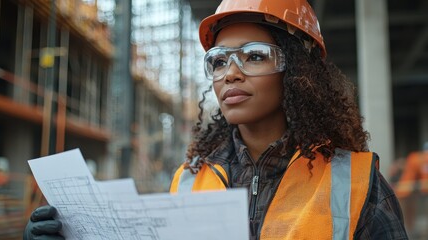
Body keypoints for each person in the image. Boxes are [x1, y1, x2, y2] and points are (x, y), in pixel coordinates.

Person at [24, 0, 408, 239]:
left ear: (299, 72)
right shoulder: (189, 179)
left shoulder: (356, 182)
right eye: (219, 60)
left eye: (254, 55)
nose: (230, 73)